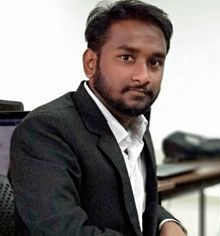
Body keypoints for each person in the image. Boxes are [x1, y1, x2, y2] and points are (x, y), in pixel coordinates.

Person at [9, 0, 187, 235]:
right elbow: (63, 231)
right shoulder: (45, 130)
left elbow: (131, 199)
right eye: (127, 58)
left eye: (154, 62)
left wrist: (166, 222)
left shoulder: (136, 122)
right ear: (91, 63)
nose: (143, 76)